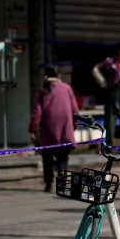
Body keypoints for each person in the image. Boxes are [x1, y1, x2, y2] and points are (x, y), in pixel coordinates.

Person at [28, 65, 79, 193]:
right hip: (64, 129)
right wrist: (75, 125)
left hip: (48, 130)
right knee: (63, 158)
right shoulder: (67, 88)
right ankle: (62, 185)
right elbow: (75, 109)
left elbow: (37, 112)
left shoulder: (42, 90)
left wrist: (33, 129)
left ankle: (49, 183)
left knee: (47, 158)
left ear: (45, 77)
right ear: (58, 76)